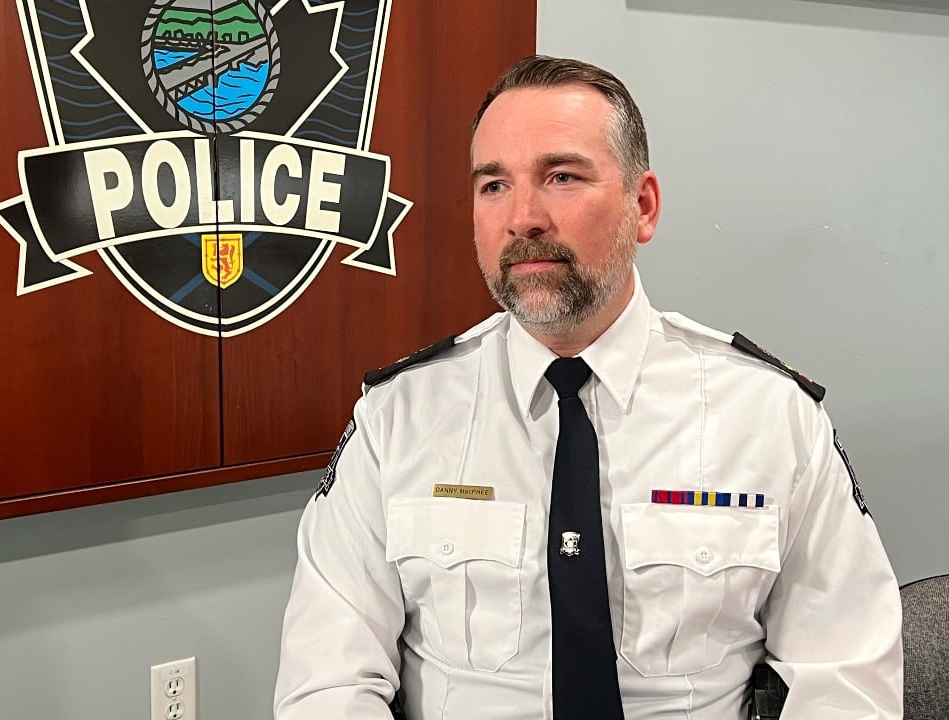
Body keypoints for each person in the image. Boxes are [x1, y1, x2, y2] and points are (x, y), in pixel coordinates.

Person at [274, 55, 902, 719]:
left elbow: (847, 678)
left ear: (644, 205)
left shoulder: (771, 417)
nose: (523, 218)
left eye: (562, 176)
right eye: (493, 186)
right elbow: (328, 683)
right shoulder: (395, 418)